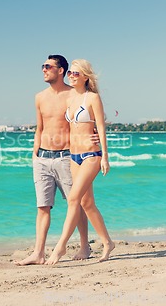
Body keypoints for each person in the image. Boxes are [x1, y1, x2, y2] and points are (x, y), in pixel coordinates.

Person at [15, 55, 96, 266]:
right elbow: (39, 127)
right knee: (42, 207)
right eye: (43, 66)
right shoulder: (39, 97)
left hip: (67, 157)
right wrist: (35, 153)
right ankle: (38, 252)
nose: (44, 69)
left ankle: (84, 246)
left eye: (48, 66)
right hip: (42, 157)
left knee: (76, 203)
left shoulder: (74, 95)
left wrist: (93, 135)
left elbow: (88, 118)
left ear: (60, 71)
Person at [45, 58, 115, 265]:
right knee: (87, 203)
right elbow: (68, 128)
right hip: (72, 156)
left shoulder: (92, 98)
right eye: (70, 73)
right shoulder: (69, 99)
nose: (72, 76)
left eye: (76, 73)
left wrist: (105, 157)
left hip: (91, 155)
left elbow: (101, 127)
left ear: (85, 76)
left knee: (73, 199)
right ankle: (107, 242)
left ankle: (61, 247)